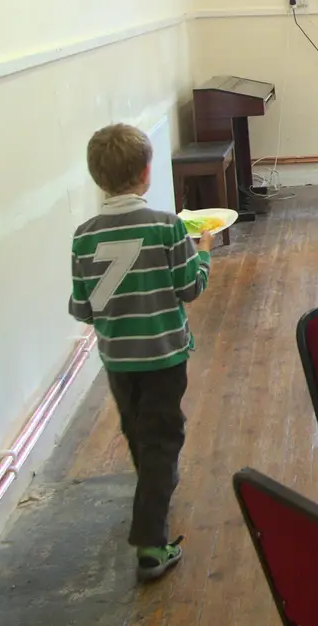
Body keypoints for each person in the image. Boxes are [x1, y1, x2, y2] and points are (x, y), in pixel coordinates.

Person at [69, 124, 212, 581]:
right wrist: (204, 250)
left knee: (138, 429)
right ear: (147, 174)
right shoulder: (167, 226)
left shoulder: (83, 235)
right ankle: (151, 543)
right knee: (164, 436)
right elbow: (190, 287)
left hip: (117, 358)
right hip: (164, 356)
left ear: (98, 177)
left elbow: (83, 308)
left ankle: (153, 485)